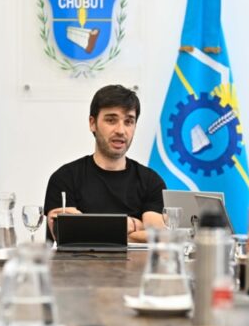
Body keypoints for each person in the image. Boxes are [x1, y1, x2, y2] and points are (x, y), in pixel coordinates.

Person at [43, 85, 166, 243]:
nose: (121, 130)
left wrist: (90, 227)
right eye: (111, 120)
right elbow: (66, 236)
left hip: (137, 260)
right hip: (79, 261)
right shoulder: (65, 178)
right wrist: (134, 225)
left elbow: (158, 238)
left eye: (129, 121)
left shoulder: (151, 181)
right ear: (92, 123)